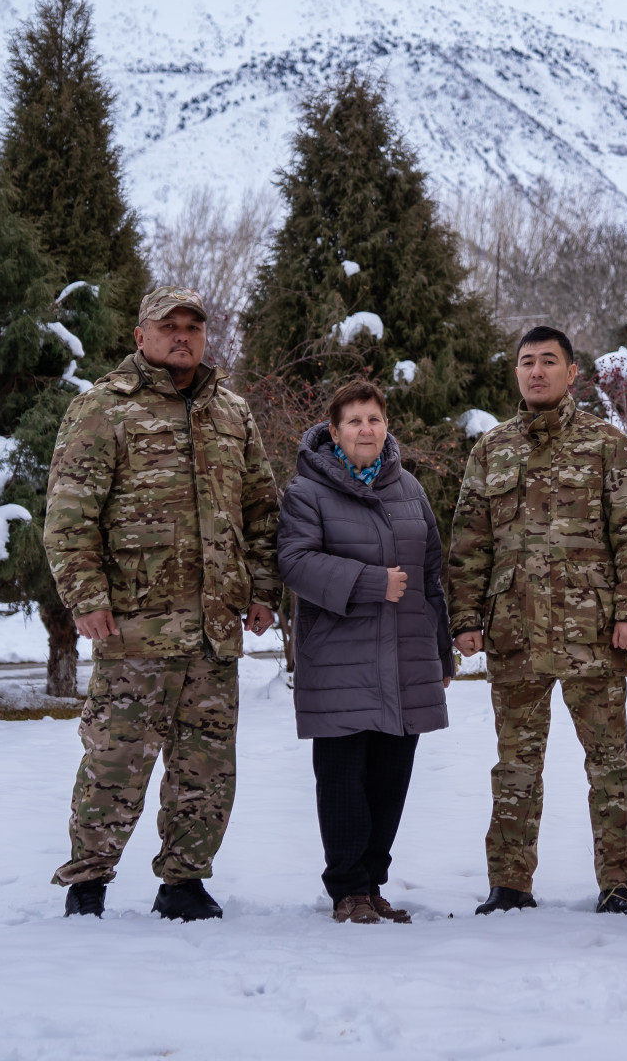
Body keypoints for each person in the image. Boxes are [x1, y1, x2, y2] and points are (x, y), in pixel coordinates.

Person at [43, 285, 281, 921]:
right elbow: (69, 516)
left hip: (213, 628)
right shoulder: (101, 409)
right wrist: (85, 597)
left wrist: (262, 590)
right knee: (115, 758)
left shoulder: (231, 413)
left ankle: (184, 881)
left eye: (192, 327)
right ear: (140, 335)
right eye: (167, 325)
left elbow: (261, 513)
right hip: (133, 627)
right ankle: (87, 882)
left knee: (205, 767)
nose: (182, 336)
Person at [447, 326, 627, 917]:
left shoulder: (606, 444)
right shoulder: (491, 449)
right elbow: (469, 542)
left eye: (548, 361)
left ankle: (618, 883)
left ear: (573, 373)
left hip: (592, 632)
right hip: (513, 632)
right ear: (515, 373)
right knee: (515, 765)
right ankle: (509, 884)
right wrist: (465, 616)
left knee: (610, 764)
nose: (536, 371)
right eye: (526, 362)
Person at [277, 380, 455, 924]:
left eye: (374, 419)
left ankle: (372, 883)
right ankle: (347, 887)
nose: (366, 429)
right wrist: (371, 583)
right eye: (353, 421)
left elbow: (430, 577)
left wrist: (442, 654)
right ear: (333, 432)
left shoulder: (411, 491)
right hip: (339, 662)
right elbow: (295, 562)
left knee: (389, 779)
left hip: (405, 660)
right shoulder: (306, 493)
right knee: (342, 779)